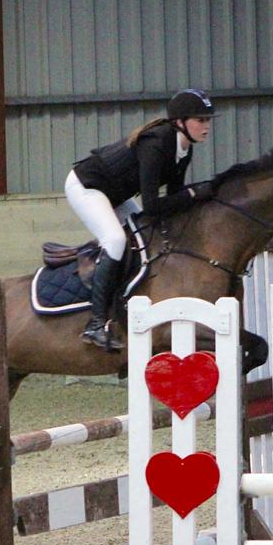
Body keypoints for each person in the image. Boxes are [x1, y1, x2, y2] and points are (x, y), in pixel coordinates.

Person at [66, 88, 219, 351]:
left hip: (115, 192)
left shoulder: (183, 149)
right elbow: (153, 204)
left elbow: (173, 198)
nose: (206, 126)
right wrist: (195, 193)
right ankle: (95, 323)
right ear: (180, 122)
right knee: (114, 240)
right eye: (200, 120)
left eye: (208, 120)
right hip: (88, 186)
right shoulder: (157, 143)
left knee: (145, 234)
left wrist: (198, 197)